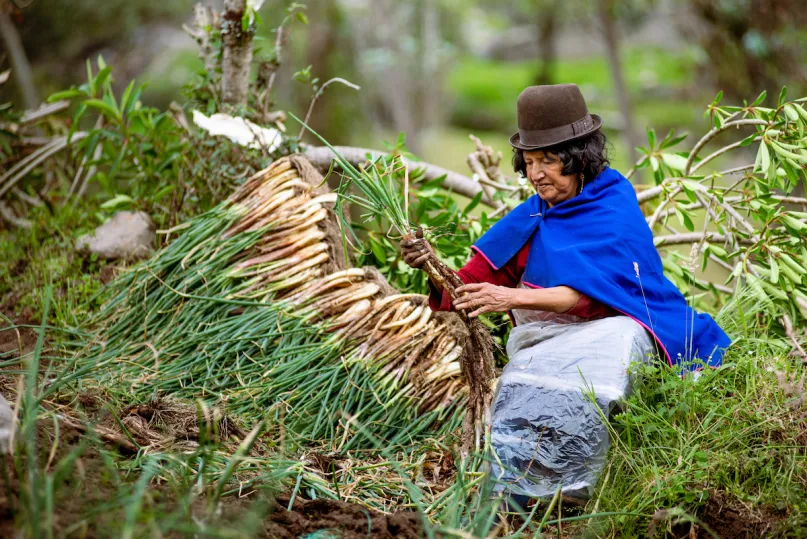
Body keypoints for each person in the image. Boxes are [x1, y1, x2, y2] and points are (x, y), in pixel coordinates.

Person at [401, 84, 731, 502]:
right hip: (545, 345)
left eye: (550, 161)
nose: (537, 173)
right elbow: (462, 290)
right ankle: (518, 492)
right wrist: (429, 265)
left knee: (614, 346)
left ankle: (575, 485)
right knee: (524, 381)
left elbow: (599, 298)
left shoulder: (614, 203)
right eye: (531, 161)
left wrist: (512, 298)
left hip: (618, 337)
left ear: (579, 160)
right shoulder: (529, 219)